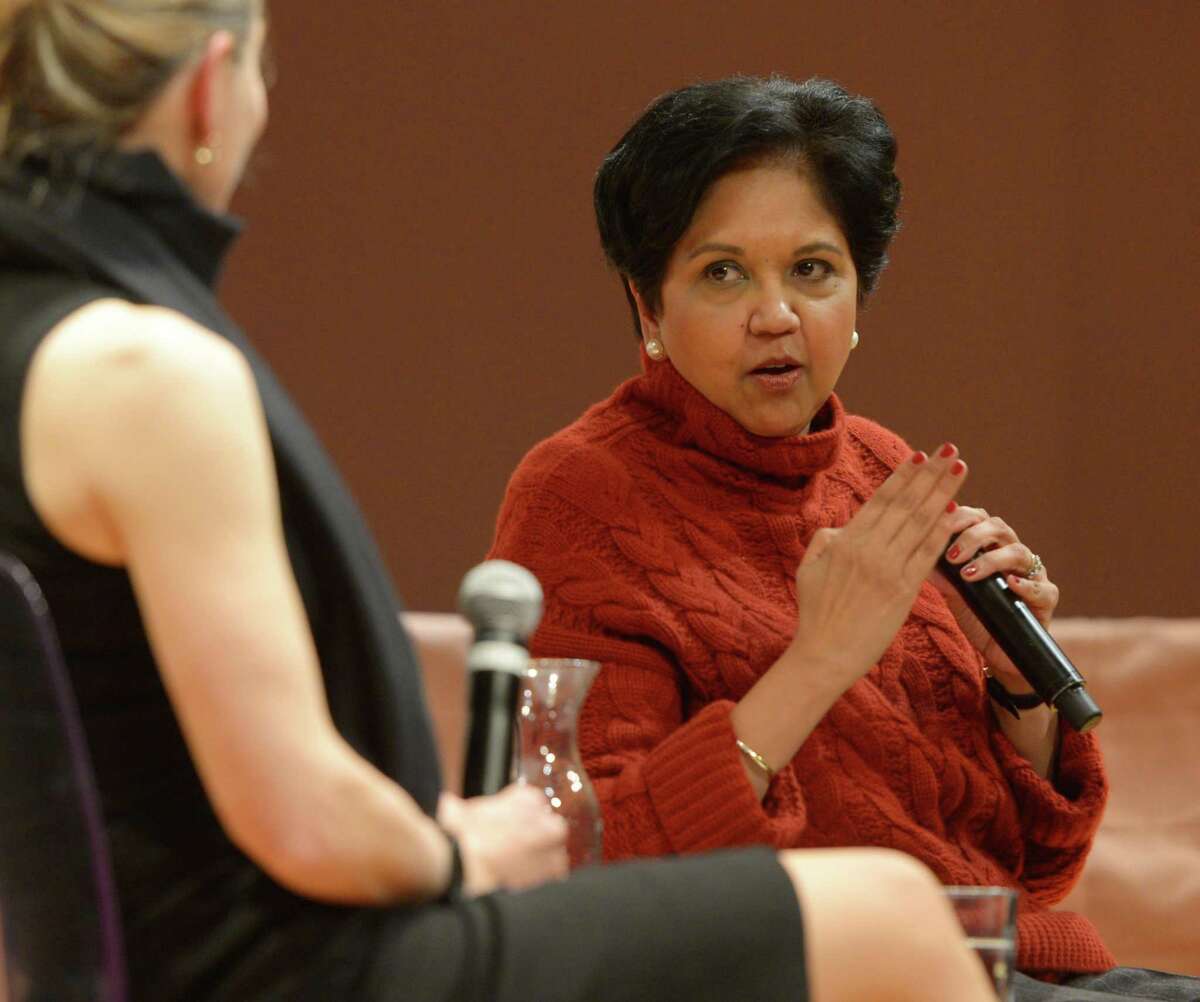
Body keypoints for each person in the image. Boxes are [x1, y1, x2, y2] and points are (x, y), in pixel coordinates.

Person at [0, 5, 1003, 1001]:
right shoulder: (146, 369)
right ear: (214, 87)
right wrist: (460, 849)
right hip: (301, 970)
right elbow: (302, 822)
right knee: (889, 915)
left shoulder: (45, 336)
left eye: (815, 270)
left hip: (158, 964)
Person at [488, 75, 1200, 1000]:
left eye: (813, 270)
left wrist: (1016, 687)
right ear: (647, 308)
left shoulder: (880, 467)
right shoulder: (580, 495)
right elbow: (599, 858)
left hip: (1008, 970)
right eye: (723, 272)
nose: (777, 314)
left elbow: (1027, 863)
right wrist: (818, 660)